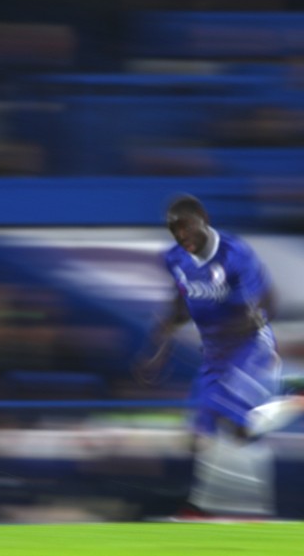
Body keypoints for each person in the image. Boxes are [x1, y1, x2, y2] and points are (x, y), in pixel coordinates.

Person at [134, 194, 281, 519]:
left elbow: (259, 305)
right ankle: (206, 507)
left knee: (228, 415)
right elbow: (179, 304)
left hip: (249, 347)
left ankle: (293, 400)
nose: (182, 236)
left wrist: (248, 322)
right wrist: (157, 351)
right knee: (199, 434)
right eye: (175, 231)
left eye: (187, 228)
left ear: (203, 219)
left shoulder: (235, 254)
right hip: (214, 353)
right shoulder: (175, 259)